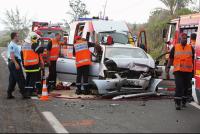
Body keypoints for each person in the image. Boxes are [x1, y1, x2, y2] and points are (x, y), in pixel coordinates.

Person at [166, 33, 194, 110]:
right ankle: (177, 103)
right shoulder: (175, 48)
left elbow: (192, 60)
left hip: (188, 71)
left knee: (186, 87)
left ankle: (184, 101)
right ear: (180, 39)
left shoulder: (191, 48)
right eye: (183, 38)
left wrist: (193, 72)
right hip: (178, 71)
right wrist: (167, 69)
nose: (184, 39)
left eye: (186, 38)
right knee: (179, 86)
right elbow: (171, 59)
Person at [7, 32, 29, 99]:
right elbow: (12, 55)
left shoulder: (14, 44)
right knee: (20, 78)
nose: (18, 37)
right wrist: (16, 63)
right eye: (17, 36)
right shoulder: (12, 45)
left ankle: (9, 93)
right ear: (14, 37)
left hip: (13, 62)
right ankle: (24, 94)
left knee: (13, 79)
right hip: (14, 62)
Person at [21, 32, 44, 96]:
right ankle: (29, 92)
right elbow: (40, 50)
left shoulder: (24, 44)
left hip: (26, 64)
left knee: (28, 78)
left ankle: (25, 92)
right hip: (33, 64)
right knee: (32, 79)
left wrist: (23, 64)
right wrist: (42, 44)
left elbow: (21, 54)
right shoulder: (33, 44)